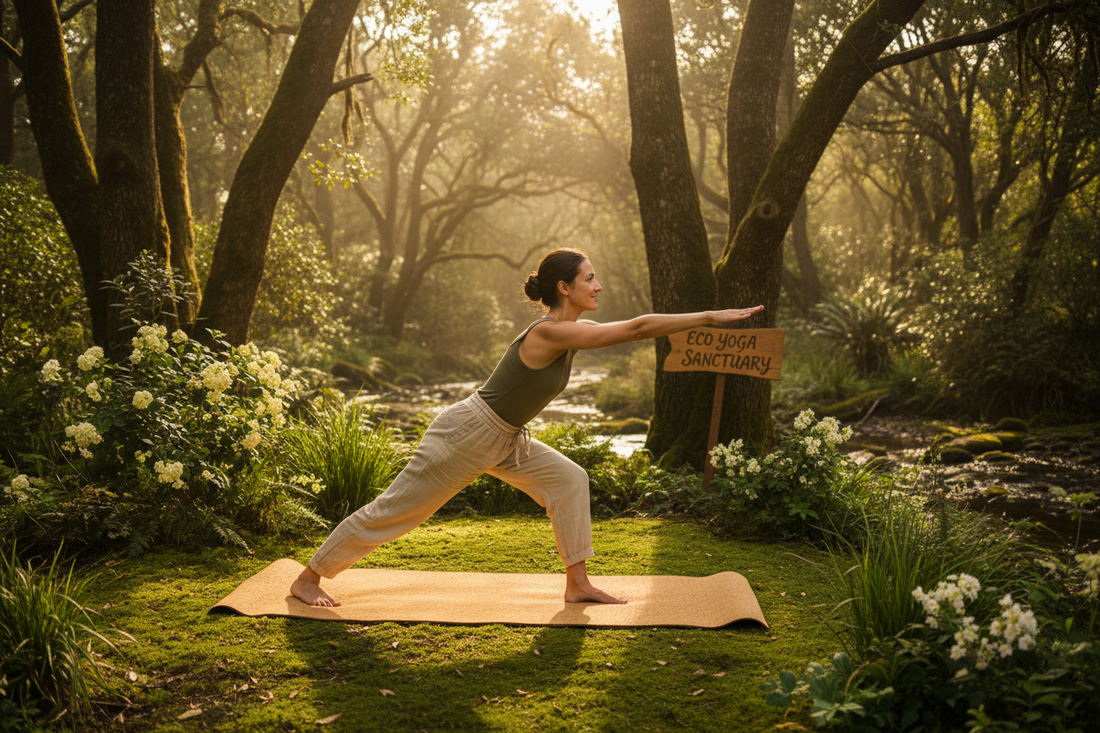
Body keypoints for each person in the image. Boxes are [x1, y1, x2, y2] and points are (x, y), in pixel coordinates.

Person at [291, 248, 763, 607]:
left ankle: (577, 584)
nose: (597, 286)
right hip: (468, 432)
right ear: (564, 287)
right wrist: (707, 316)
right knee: (397, 512)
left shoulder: (567, 332)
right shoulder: (549, 332)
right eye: (589, 278)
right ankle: (309, 578)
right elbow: (637, 329)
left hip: (505, 437)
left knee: (569, 479)